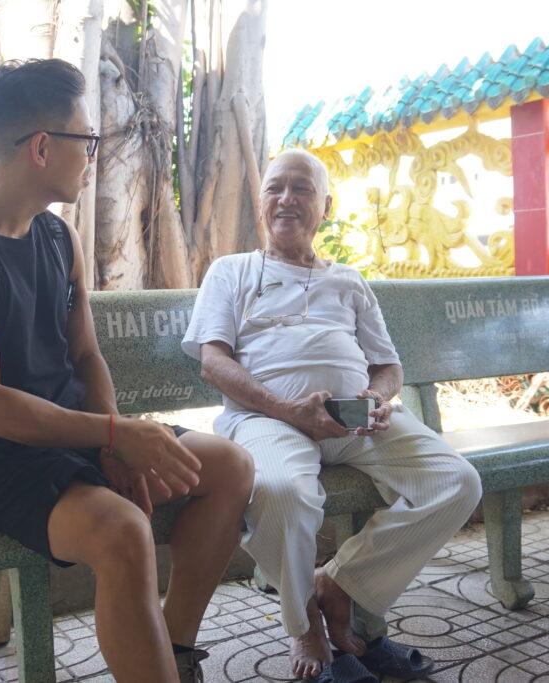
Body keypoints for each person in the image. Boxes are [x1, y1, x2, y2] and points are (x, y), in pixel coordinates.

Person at [0, 58, 253, 683]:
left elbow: (86, 355)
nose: (94, 153)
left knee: (229, 465)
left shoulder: (57, 238)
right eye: (87, 139)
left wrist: (112, 437)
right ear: (42, 146)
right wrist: (112, 436)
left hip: (79, 436)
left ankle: (168, 652)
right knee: (123, 530)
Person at [181, 149, 482, 680]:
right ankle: (304, 627)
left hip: (355, 421)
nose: (286, 200)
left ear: (326, 205)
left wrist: (378, 398)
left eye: (302, 189)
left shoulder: (347, 279)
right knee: (282, 493)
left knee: (456, 482)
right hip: (265, 420)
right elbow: (213, 362)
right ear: (262, 200)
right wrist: (287, 409)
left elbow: (388, 365)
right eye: (275, 188)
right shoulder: (230, 272)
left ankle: (339, 586)